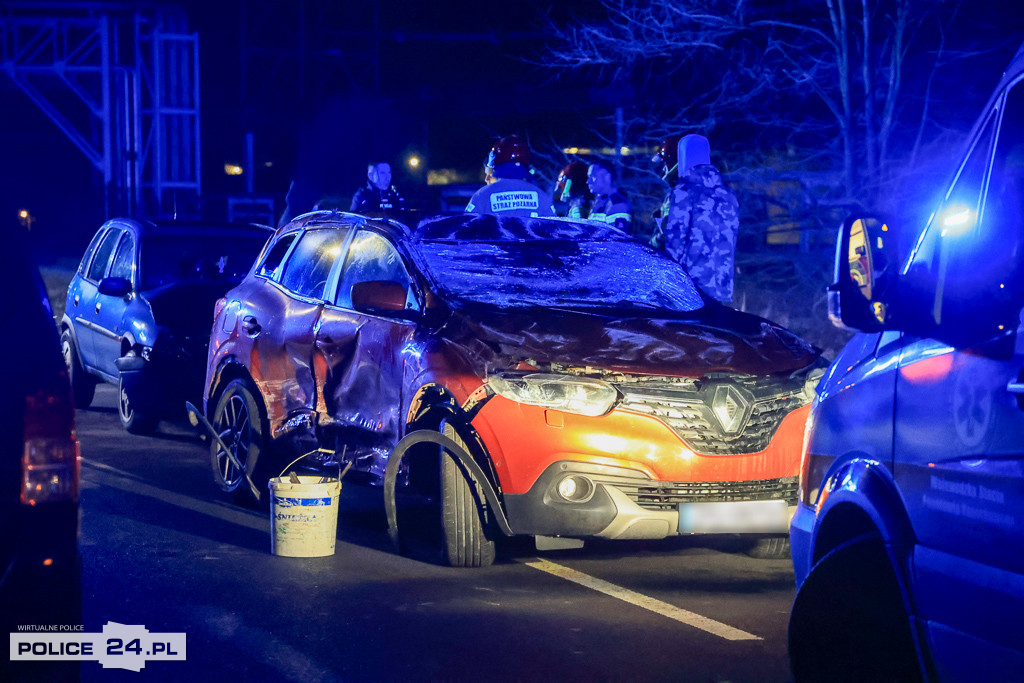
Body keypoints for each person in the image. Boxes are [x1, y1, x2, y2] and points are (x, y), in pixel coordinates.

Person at [654, 133, 739, 304]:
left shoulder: (683, 193)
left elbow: (674, 248)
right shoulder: (728, 195)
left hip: (689, 290)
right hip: (720, 287)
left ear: (682, 157)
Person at [465, 136, 555, 217]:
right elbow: (555, 229)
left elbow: (466, 227)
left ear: (496, 163)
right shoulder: (541, 196)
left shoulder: (482, 196)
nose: (486, 179)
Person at [585, 159, 632, 233]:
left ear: (607, 177)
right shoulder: (600, 202)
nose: (588, 181)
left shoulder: (618, 204)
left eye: (593, 176)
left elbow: (617, 240)